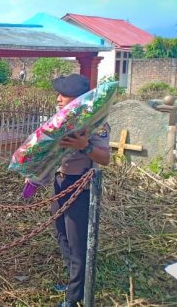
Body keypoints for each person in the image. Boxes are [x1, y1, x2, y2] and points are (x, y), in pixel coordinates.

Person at [50, 74, 111, 307]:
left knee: (77, 242)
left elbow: (105, 158)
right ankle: (73, 282)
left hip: (80, 186)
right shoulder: (60, 120)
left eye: (62, 96)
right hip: (59, 181)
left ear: (76, 99)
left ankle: (76, 295)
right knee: (61, 234)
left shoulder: (96, 124)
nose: (58, 99)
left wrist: (84, 146)